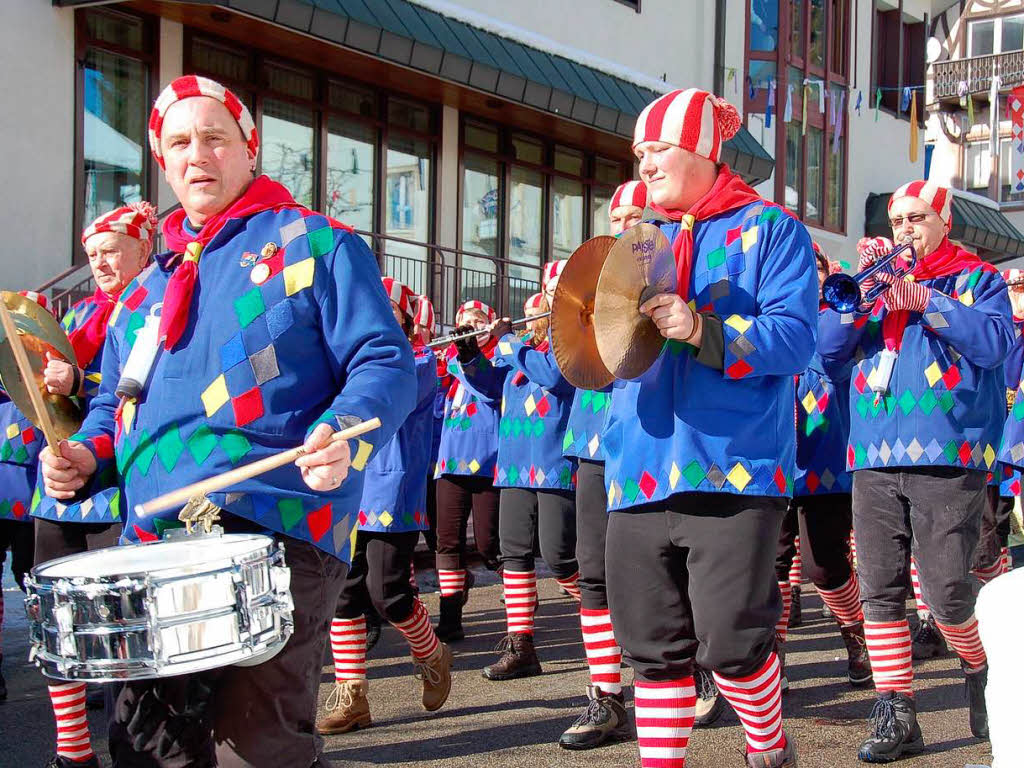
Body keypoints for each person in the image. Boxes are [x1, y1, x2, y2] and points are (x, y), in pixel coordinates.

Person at [39, 74, 416, 768]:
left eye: (214, 137)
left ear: (251, 148)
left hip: (277, 522)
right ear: (162, 160)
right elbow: (108, 406)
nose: (197, 155)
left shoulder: (316, 245)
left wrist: (346, 429)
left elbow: (384, 362)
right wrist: (87, 456)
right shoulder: (144, 290)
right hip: (153, 536)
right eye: (179, 142)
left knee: (255, 746)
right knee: (146, 748)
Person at [603, 88, 818, 768]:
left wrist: (702, 329)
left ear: (699, 148)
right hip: (636, 464)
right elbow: (601, 358)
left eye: (658, 149)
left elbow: (794, 340)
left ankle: (768, 745)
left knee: (730, 643)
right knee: (653, 649)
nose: (646, 164)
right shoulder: (638, 241)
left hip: (735, 466)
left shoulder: (772, 229)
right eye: (639, 153)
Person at [818, 180, 1013, 762]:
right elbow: (828, 350)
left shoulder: (979, 279)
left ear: (943, 223)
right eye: (898, 220)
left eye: (918, 218)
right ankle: (897, 710)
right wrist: (858, 296)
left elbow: (997, 344)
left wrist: (927, 301)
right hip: (874, 455)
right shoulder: (873, 287)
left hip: (948, 453)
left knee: (947, 589)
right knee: (879, 589)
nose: (905, 230)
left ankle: (980, 666)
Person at [33, 206, 157, 768]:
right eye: (92, 255)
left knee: (123, 634)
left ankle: (126, 749)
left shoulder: (163, 303)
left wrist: (79, 380)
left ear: (142, 248)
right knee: (59, 624)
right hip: (61, 487)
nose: (100, 263)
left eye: (111, 250)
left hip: (119, 491)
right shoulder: (80, 314)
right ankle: (72, 753)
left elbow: (146, 390)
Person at [318, 277, 450, 736]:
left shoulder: (417, 362)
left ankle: (430, 651)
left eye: (387, 309)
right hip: (345, 488)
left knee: (389, 594)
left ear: (404, 318)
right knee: (346, 593)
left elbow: (381, 405)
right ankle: (351, 693)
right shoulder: (342, 362)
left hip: (391, 492)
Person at [773, 243, 872, 690]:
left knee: (825, 566)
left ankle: (856, 633)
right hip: (772, 458)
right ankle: (772, 658)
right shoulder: (772, 310)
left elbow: (832, 348)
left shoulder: (840, 312)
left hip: (825, 460)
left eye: (814, 269)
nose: (806, 276)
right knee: (769, 567)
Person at [482, 268, 580, 682]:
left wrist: (506, 343)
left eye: (558, 293)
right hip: (515, 466)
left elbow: (556, 376)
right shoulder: (521, 348)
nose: (548, 302)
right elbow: (488, 388)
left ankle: (612, 616)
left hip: (556, 463)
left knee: (561, 558)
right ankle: (520, 644)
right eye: (547, 293)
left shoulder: (573, 340)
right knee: (514, 554)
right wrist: (473, 355)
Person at [432, 299, 506, 641]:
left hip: (489, 461)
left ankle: (521, 594)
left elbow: (489, 389)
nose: (470, 324)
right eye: (464, 321)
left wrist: (468, 356)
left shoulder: (500, 355)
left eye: (478, 319)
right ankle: (450, 617)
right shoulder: (446, 361)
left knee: (490, 544)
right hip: (450, 460)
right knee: (447, 542)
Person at [0, 293, 50, 704]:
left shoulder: (54, 368)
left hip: (39, 492)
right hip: (3, 487)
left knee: (35, 579)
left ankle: (59, 664)